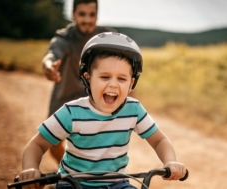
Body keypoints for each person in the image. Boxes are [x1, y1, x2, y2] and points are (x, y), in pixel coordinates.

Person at [18, 32, 187, 189]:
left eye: (122, 78)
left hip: (117, 184)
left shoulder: (134, 110)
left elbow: (159, 141)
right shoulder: (71, 112)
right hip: (72, 183)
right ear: (88, 77)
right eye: (105, 77)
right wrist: (30, 168)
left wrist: (170, 162)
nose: (113, 84)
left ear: (131, 83)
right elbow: (37, 145)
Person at [42, 0, 115, 164]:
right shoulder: (65, 37)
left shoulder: (106, 37)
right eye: (82, 14)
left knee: (100, 142)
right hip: (64, 96)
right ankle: (71, 172)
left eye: (92, 15)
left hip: (95, 98)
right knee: (52, 142)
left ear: (97, 15)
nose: (87, 20)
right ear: (73, 15)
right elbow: (52, 54)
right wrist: (49, 67)